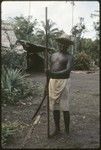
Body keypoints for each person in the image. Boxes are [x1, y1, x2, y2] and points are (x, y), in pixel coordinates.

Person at [47, 33, 74, 137]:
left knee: (65, 107)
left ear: (68, 45)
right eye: (61, 43)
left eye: (65, 43)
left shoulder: (70, 57)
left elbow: (67, 71)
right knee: (55, 107)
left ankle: (67, 130)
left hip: (64, 82)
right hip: (52, 82)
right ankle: (57, 129)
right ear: (59, 43)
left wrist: (52, 74)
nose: (63, 45)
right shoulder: (53, 55)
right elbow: (49, 72)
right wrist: (46, 86)